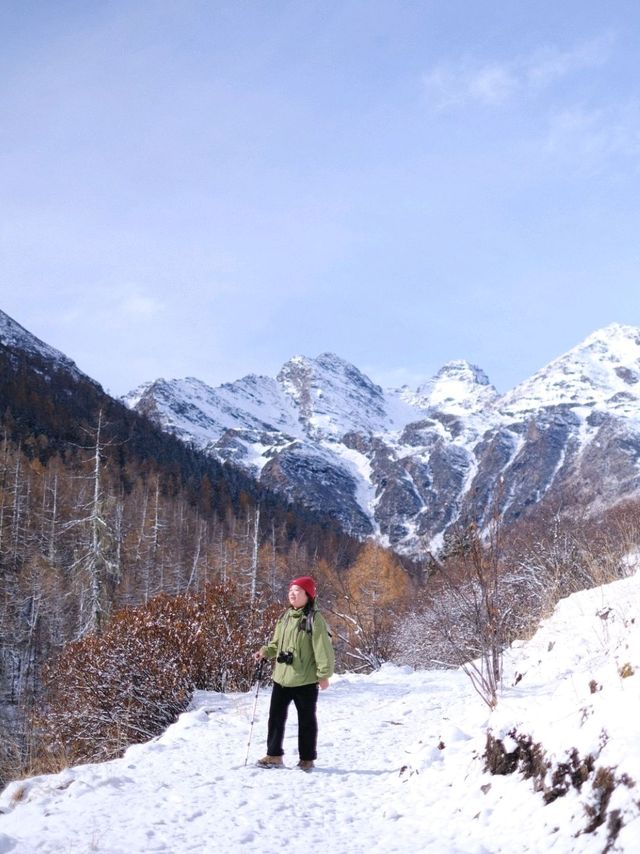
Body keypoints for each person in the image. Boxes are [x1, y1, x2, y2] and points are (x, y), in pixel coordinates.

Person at [254, 575, 335, 771]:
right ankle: (274, 755)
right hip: (281, 677)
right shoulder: (285, 617)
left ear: (308, 595)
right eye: (290, 591)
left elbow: (322, 648)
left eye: (297, 591)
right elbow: (276, 644)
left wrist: (324, 675)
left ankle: (306, 760)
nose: (292, 594)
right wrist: (265, 651)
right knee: (275, 718)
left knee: (306, 721)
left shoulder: (315, 619)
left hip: (305, 680)